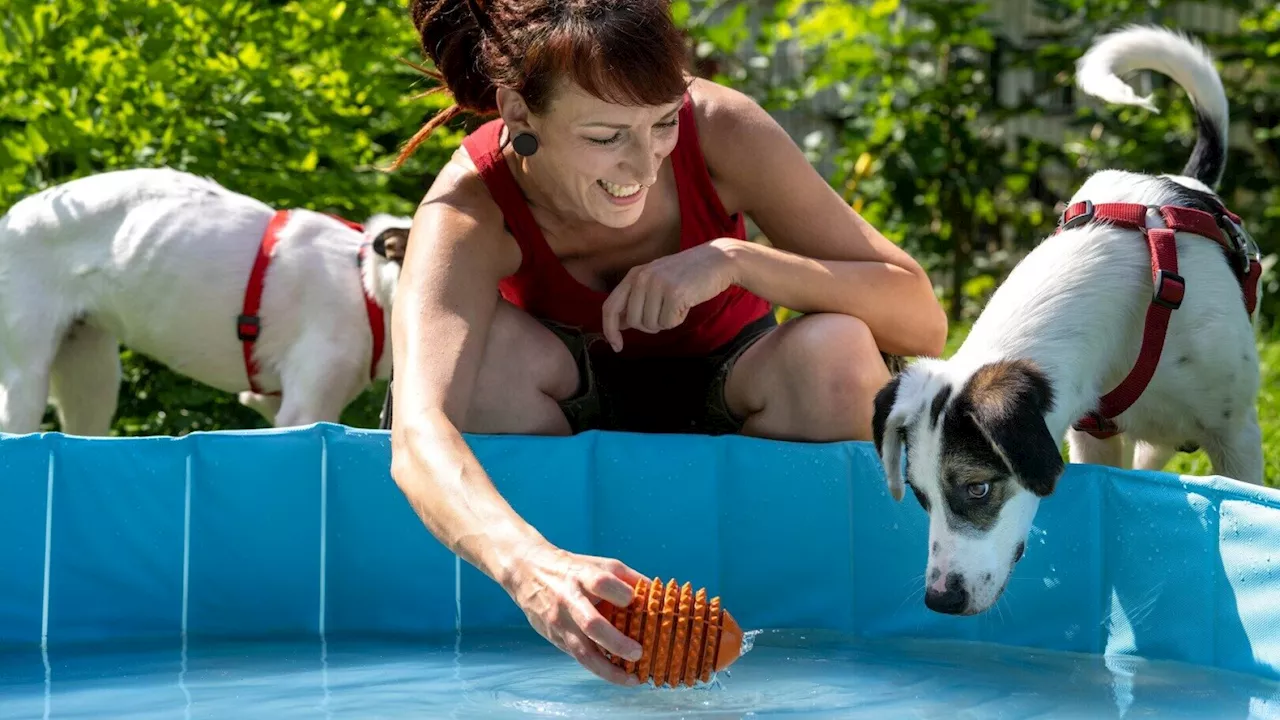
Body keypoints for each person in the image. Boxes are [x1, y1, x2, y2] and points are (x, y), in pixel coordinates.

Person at [385, 0, 947, 686]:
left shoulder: (718, 129)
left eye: (661, 124)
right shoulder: (469, 207)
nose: (643, 163)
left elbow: (920, 321)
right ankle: (555, 615)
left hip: (741, 395)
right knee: (485, 369)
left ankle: (806, 631)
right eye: (605, 135)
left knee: (837, 352)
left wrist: (736, 260)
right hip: (560, 417)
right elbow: (417, 434)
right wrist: (531, 569)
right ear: (520, 112)